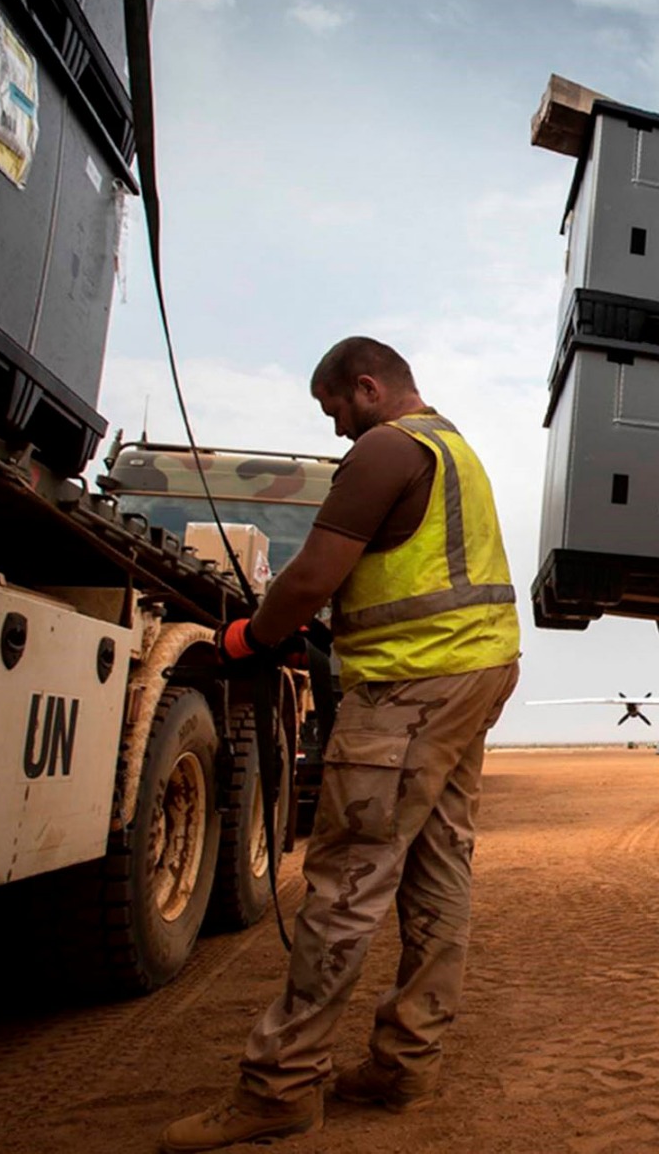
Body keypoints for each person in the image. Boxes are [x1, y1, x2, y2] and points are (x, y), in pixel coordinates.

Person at [162, 337, 521, 1151]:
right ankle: (406, 1067)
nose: (334, 432)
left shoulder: (387, 449)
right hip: (472, 677)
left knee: (348, 879)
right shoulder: (453, 449)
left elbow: (312, 575)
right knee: (435, 867)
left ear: (366, 387)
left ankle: (280, 1086)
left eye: (334, 411)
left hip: (411, 687)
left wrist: (252, 636)